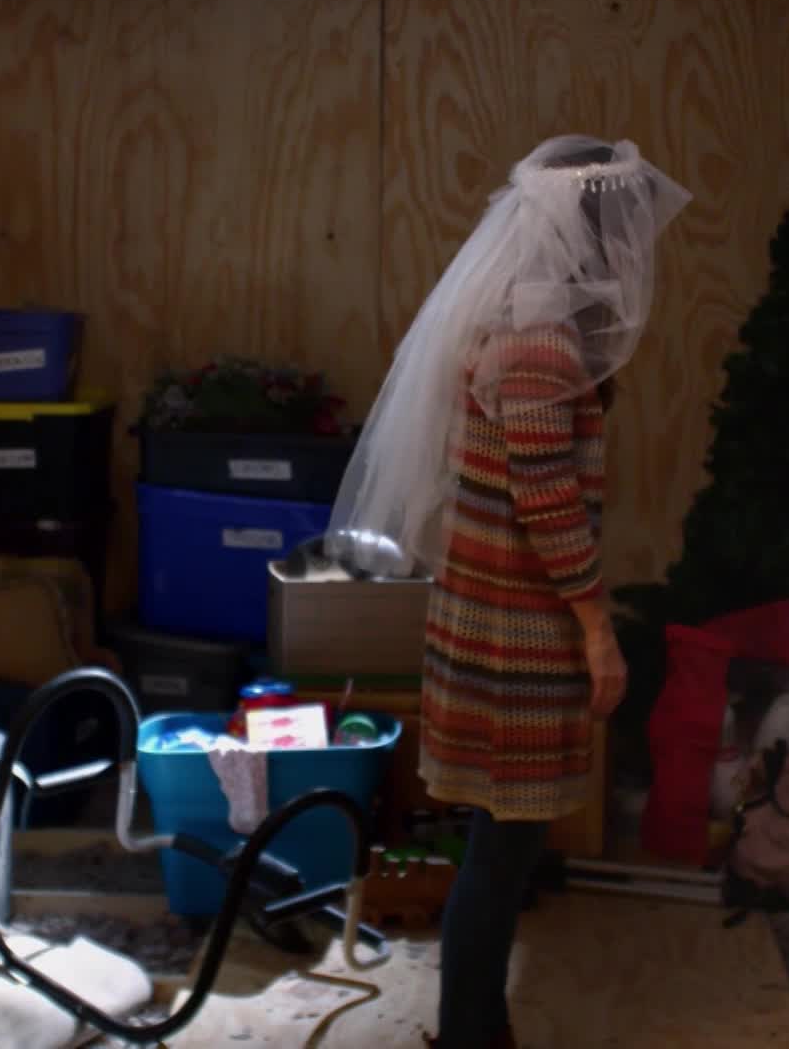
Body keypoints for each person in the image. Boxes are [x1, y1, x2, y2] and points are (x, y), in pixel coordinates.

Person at [326, 136, 689, 1049]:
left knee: (503, 843)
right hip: (512, 639)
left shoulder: (518, 324)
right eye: (625, 232)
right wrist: (598, 627)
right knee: (501, 849)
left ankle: (473, 1029)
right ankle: (471, 1034)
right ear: (591, 240)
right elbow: (549, 506)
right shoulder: (536, 347)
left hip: (494, 619)